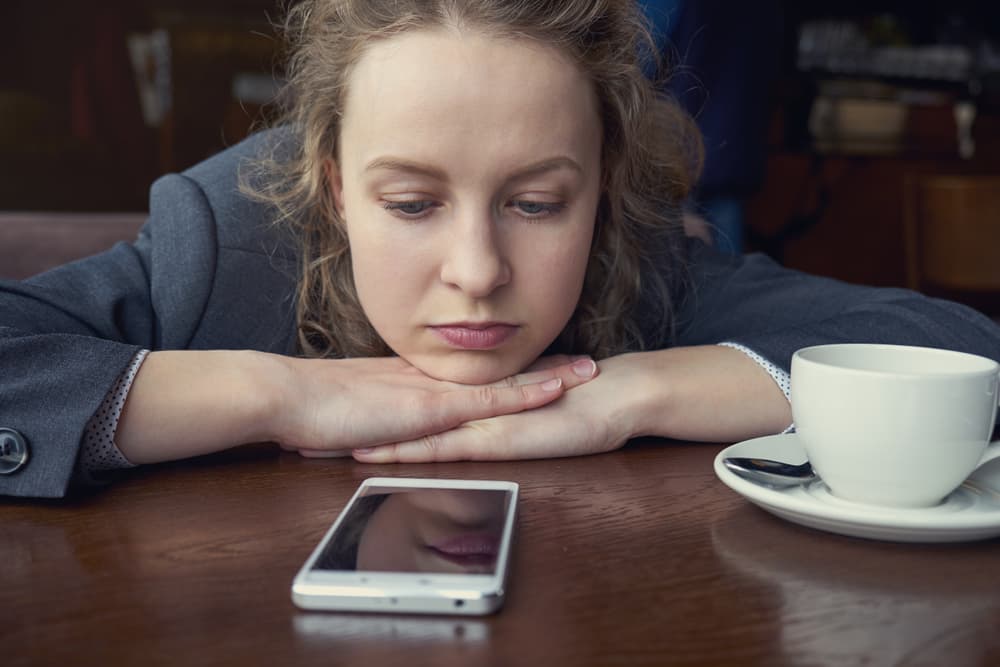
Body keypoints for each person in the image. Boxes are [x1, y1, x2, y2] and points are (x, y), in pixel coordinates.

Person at [2, 0, 999, 500]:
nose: (477, 271)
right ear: (337, 186)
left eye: (533, 204)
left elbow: (954, 348)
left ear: (600, 189)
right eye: (408, 202)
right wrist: (281, 394)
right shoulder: (224, 241)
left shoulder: (644, 263)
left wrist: (624, 396)